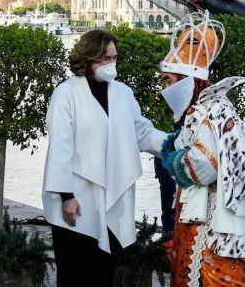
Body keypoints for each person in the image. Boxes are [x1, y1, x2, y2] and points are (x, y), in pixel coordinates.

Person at [158, 12, 245, 286]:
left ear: (186, 81)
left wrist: (172, 159)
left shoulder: (208, 109)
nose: (165, 90)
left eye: (168, 82)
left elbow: (202, 167)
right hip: (205, 214)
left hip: (212, 222)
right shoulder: (211, 107)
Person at [42, 30, 166, 286]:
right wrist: (66, 196)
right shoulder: (66, 93)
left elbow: (141, 131)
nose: (112, 64)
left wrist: (174, 143)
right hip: (77, 199)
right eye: (105, 59)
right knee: (74, 273)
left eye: (114, 58)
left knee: (103, 274)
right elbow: (60, 146)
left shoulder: (123, 93)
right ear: (88, 59)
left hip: (112, 198)